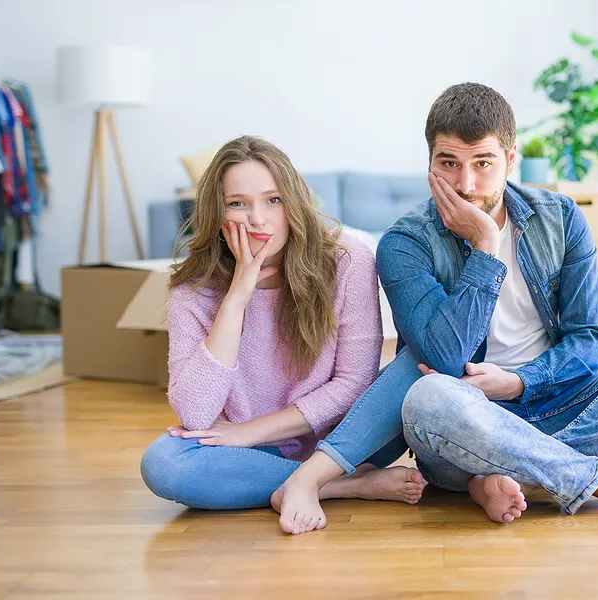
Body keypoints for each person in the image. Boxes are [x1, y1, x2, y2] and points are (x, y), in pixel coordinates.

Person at [376, 82, 598, 524]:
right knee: (426, 399)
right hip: (466, 418)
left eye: (483, 163)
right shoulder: (404, 243)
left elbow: (590, 338)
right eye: (449, 164)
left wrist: (518, 383)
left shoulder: (559, 218)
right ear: (429, 164)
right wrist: (485, 246)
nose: (465, 184)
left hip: (555, 401)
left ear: (511, 160)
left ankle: (503, 475)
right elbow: (445, 358)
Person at [139, 135, 425, 534]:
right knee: (163, 464)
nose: (258, 219)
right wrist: (238, 294)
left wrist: (247, 432)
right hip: (251, 454)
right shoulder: (191, 290)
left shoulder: (348, 259)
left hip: (342, 439)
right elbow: (195, 414)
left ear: (293, 203)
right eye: (238, 203)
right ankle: (339, 486)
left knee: (414, 371)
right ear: (216, 213)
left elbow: (354, 382)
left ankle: (315, 477)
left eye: (273, 200)